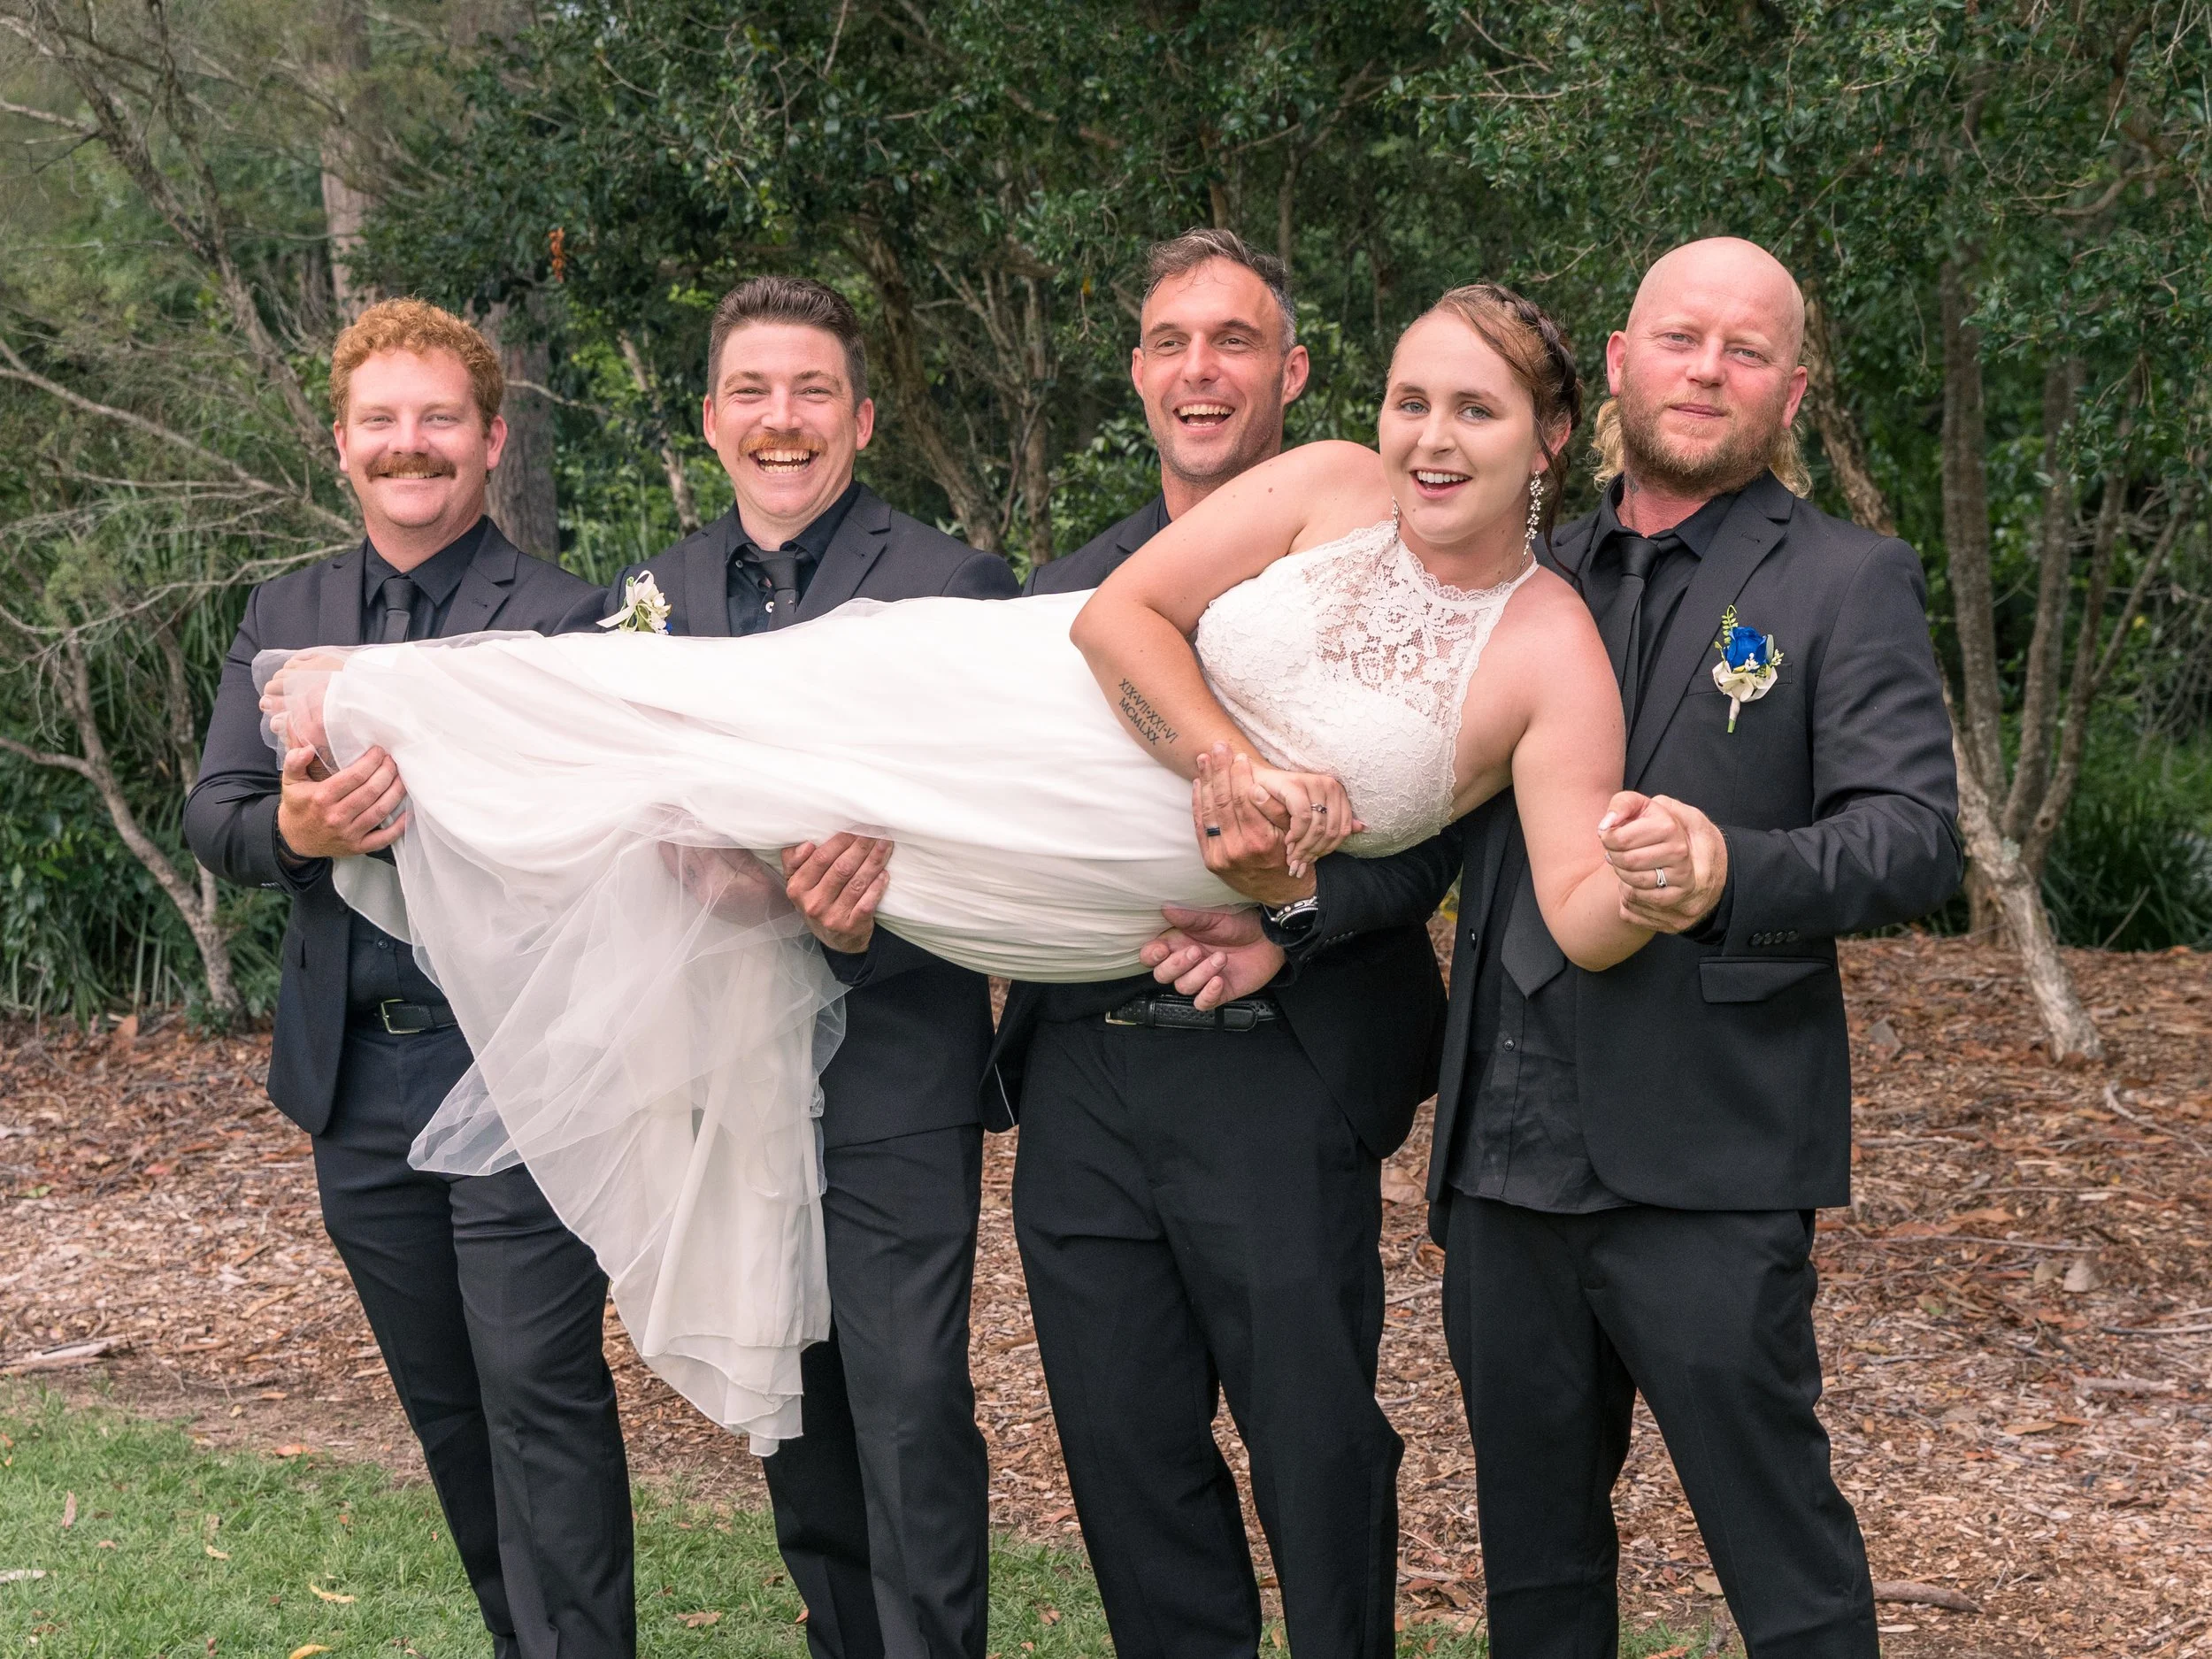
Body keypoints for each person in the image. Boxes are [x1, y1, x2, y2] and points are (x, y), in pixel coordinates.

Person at [251, 280, 1678, 1550]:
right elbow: (1118, 618)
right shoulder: (1329, 482)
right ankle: (379, 705)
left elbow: (1577, 902)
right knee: (713, 724)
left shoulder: (1550, 648)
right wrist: (1230, 769)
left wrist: (1679, 871)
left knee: (718, 754)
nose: (1430, 437)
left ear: (1552, 437)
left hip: (1122, 931)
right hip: (1023, 734)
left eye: (1474, 410)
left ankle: (403, 714)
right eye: (1413, 399)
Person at [1281, 239, 1964, 1656]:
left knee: (1784, 1566)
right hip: (1505, 1163)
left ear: (1790, 386)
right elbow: (1432, 821)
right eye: (1679, 337)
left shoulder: (1847, 579)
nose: (1707, 368)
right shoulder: (1512, 572)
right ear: (1614, 364)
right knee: (1536, 1582)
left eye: (1747, 348)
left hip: (1709, 1158)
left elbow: (1913, 836)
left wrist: (1734, 868)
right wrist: (1283, 910)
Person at [989, 228, 1443, 1659]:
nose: (1202, 369)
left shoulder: (1378, 575)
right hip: (1081, 1077)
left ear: (1292, 372)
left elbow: (1453, 808)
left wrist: (1293, 918)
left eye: (1235, 340)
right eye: (1173, 341)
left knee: (1315, 1448)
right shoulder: (1059, 595)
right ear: (1137, 373)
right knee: (1126, 1455)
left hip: (1276, 1065)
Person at [184, 299, 633, 1659]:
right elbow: (217, 810)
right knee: (445, 1406)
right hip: (353, 1076)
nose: (409, 444)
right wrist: (298, 835)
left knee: (536, 1390)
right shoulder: (286, 612)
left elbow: (603, 839)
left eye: (439, 417)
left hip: (515, 1064)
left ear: (492, 439)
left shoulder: (563, 617)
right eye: (381, 420)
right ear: (340, 445)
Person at [602, 275, 1018, 1659]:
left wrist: (857, 899)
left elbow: (995, 826)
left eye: (814, 391)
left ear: (863, 415)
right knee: (792, 1406)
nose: (785, 420)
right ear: (713, 418)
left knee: (908, 1407)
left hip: (894, 1054)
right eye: (755, 393)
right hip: (723, 1071)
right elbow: (607, 797)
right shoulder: (646, 599)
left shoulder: (950, 586)